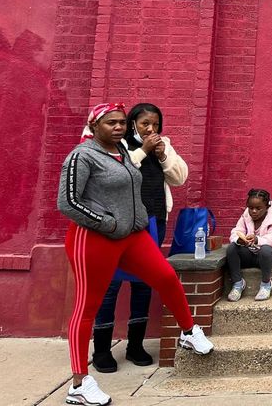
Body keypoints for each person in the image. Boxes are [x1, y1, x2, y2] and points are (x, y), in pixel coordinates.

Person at [58, 103, 212, 406]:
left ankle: (189, 332)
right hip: (94, 239)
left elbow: (157, 182)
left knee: (166, 277)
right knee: (88, 306)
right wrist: (107, 223)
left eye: (121, 123)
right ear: (95, 126)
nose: (118, 127)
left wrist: (136, 220)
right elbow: (68, 202)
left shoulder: (124, 153)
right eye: (111, 123)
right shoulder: (82, 155)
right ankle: (79, 383)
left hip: (134, 235)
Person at [91, 103, 188, 373]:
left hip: (154, 221)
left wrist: (163, 154)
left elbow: (179, 178)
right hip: (119, 224)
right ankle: (101, 349)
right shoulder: (116, 145)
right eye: (145, 123)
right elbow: (115, 174)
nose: (151, 129)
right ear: (132, 122)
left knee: (145, 282)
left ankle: (135, 345)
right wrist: (143, 152)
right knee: (110, 283)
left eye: (156, 124)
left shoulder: (162, 144)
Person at [226, 188, 272, 302]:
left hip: (265, 258)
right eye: (251, 208)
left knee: (267, 249)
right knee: (232, 248)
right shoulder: (245, 216)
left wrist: (257, 239)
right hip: (249, 254)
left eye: (258, 208)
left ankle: (266, 284)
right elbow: (236, 231)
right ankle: (238, 284)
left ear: (267, 207)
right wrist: (239, 240)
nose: (254, 211)